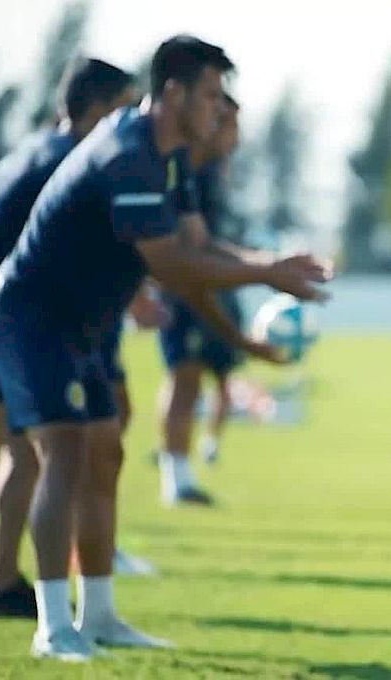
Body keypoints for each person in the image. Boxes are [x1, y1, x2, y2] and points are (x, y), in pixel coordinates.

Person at [0, 35, 332, 661]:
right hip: (31, 317)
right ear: (172, 93)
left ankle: (101, 615)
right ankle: (52, 626)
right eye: (210, 94)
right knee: (63, 450)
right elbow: (173, 266)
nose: (220, 108)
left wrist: (267, 264)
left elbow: (198, 244)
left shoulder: (172, 160)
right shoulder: (129, 154)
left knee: (105, 452)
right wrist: (265, 275)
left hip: (79, 322)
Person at [0, 58, 136, 619]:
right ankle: (9, 586)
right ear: (95, 109)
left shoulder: (43, 149)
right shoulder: (66, 162)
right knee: (40, 446)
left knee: (28, 450)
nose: (130, 124)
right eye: (122, 110)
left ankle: (7, 584)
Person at [156, 94, 244, 506]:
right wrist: (264, 267)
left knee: (212, 379)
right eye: (229, 124)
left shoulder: (212, 171)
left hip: (215, 287)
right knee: (184, 378)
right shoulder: (185, 168)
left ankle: (188, 467)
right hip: (185, 291)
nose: (235, 135)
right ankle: (175, 479)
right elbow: (188, 244)